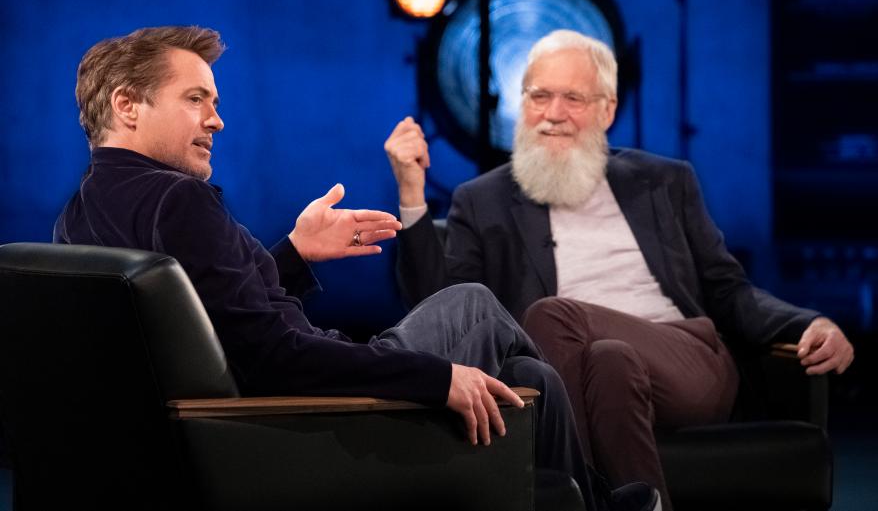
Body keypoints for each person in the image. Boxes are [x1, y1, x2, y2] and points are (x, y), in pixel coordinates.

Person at [54, 26, 659, 511]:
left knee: (530, 377)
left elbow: (202, 323)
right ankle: (607, 498)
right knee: (471, 303)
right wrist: (434, 378)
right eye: (196, 100)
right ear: (126, 105)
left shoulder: (80, 214)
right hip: (303, 421)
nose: (216, 120)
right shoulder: (180, 200)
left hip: (237, 421)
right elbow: (275, 356)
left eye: (216, 102)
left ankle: (587, 499)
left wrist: (292, 253)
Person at [385, 29, 855, 511]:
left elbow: (727, 288)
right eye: (539, 95)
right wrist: (412, 195)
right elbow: (440, 311)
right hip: (594, 370)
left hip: (686, 359)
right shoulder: (481, 200)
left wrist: (806, 322)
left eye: (573, 98)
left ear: (607, 109)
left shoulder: (664, 181)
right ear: (521, 103)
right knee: (610, 358)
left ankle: (575, 495)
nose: (552, 114)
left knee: (552, 316)